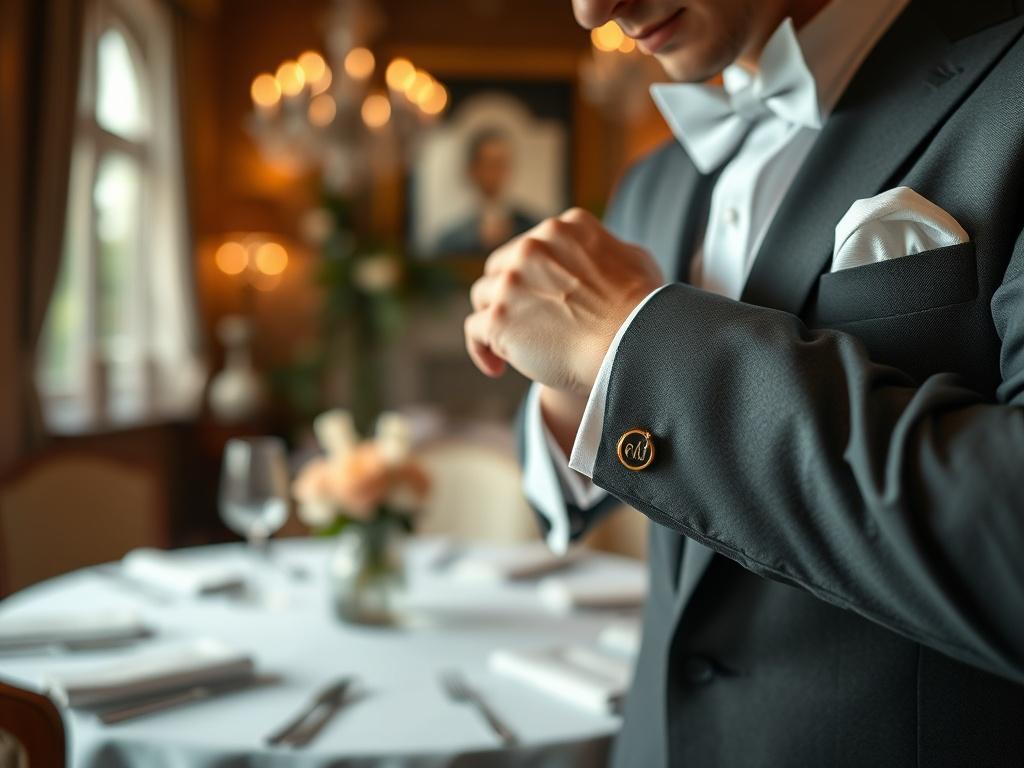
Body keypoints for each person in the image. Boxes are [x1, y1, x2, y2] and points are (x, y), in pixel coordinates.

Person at [463, 0, 1024, 765]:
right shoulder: (651, 181)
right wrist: (572, 384)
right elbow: (627, 450)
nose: (593, 10)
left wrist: (630, 343)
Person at [435, 128, 537, 256]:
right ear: (473, 170)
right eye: (490, 164)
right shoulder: (451, 240)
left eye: (502, 164)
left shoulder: (532, 229)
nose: (497, 173)